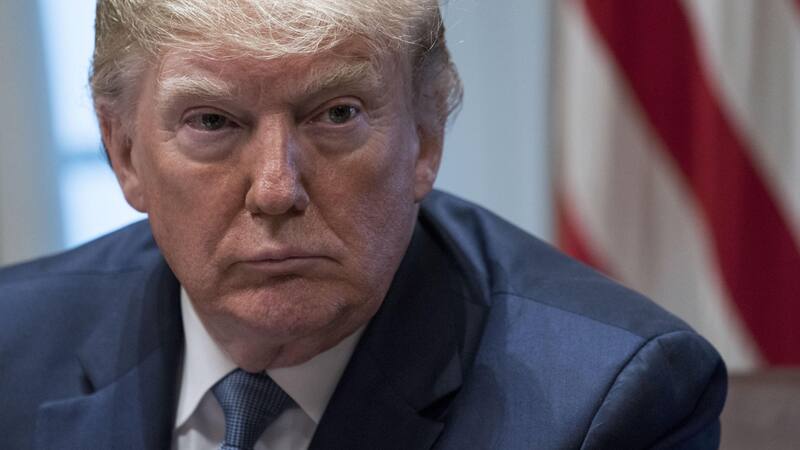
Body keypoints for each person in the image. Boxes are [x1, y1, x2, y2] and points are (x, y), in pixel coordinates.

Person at [0, 1, 726, 449]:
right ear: (123, 151)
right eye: (213, 122)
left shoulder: (606, 403)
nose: (277, 189)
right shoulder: (12, 345)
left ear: (427, 134)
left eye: (337, 114)